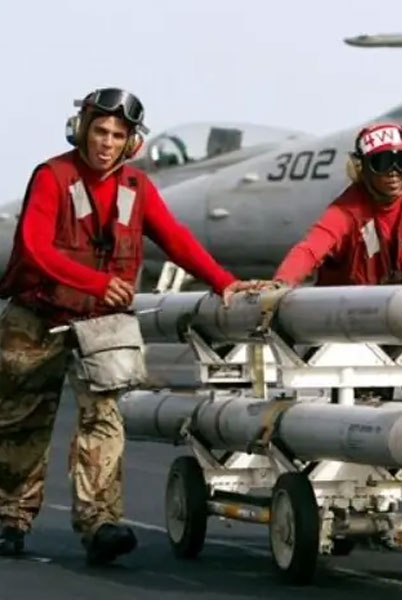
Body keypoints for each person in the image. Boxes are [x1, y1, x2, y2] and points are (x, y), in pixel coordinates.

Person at [0, 88, 261, 565]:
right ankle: (10, 519)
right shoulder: (52, 177)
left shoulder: (136, 188)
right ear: (82, 131)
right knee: (21, 423)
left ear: (131, 143)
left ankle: (100, 523)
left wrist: (225, 282)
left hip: (99, 323)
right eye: (99, 131)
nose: (106, 143)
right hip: (36, 318)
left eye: (117, 135)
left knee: (104, 420)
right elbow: (36, 249)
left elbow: (175, 238)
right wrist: (98, 282)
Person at [274, 121, 402, 406]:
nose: (393, 172)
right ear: (361, 169)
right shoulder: (346, 211)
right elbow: (310, 248)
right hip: (361, 326)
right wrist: (280, 285)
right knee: (363, 413)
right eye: (381, 163)